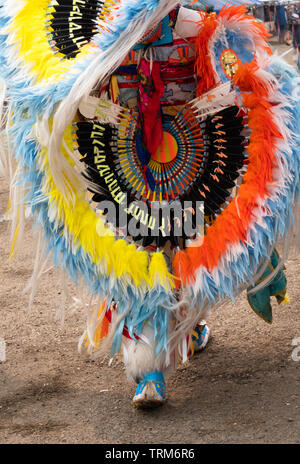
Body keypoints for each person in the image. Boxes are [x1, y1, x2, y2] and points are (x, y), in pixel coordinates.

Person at [1, 1, 299, 409]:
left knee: (171, 252)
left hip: (181, 165)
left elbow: (237, 95)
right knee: (148, 256)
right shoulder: (117, 36)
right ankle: (151, 367)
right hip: (135, 166)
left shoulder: (175, 32)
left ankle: (179, 338)